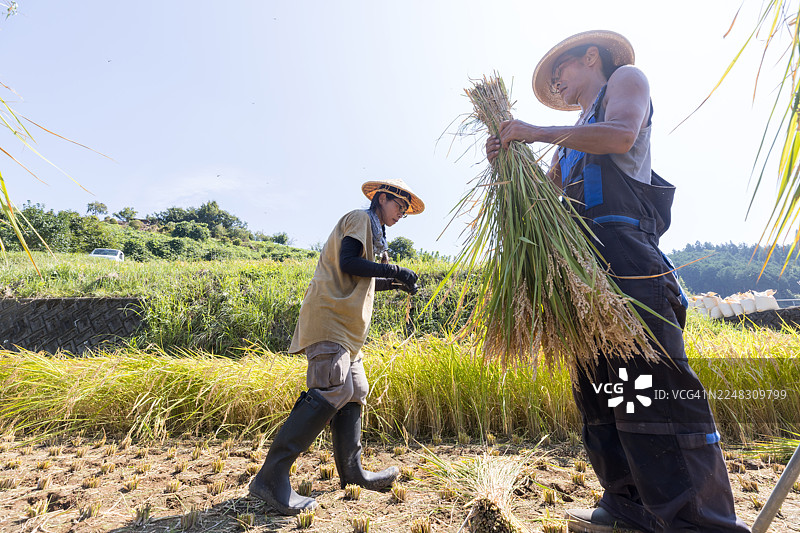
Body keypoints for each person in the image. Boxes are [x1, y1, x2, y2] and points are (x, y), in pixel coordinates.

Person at [486, 31, 751, 533]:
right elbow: (543, 201)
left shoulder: (625, 82)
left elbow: (620, 136)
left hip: (627, 256)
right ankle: (628, 505)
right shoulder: (568, 142)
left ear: (591, 58)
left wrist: (535, 131)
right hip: (582, 272)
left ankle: (701, 522)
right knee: (601, 390)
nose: (556, 85)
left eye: (560, 73)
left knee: (654, 388)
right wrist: (506, 165)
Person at [249, 178, 424, 515]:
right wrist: (395, 269)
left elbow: (360, 276)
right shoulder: (359, 218)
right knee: (333, 387)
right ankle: (270, 478)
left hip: (348, 331)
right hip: (330, 320)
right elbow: (348, 263)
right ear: (381, 198)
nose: (402, 213)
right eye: (399, 206)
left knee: (354, 389)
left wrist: (394, 282)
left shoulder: (374, 232)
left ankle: (352, 472)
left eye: (405, 210)